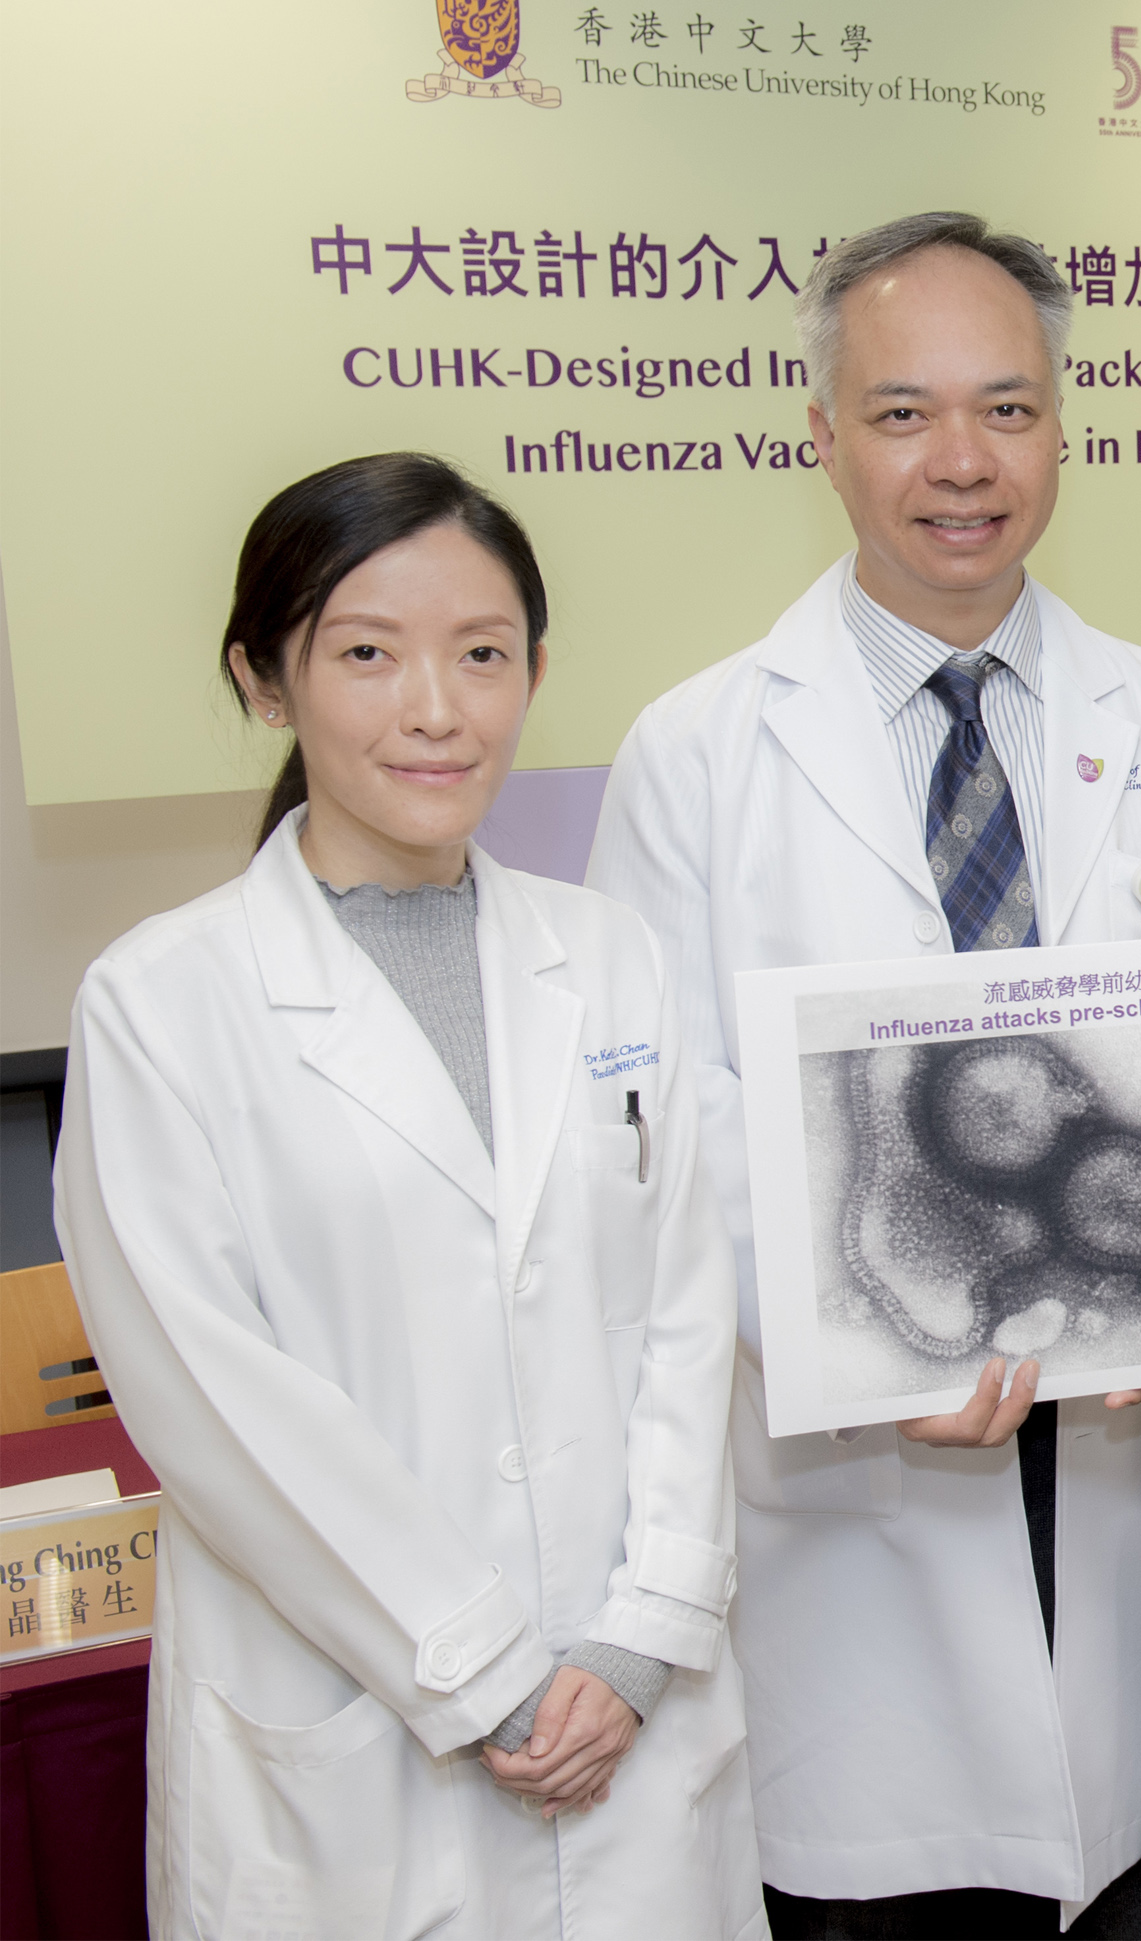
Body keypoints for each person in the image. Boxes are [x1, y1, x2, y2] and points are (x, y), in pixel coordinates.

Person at [586, 213, 1141, 1936]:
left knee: (1115, 1873)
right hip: (860, 1468)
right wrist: (865, 1334)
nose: (961, 463)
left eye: (1007, 409)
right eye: (902, 413)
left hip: (1120, 1434)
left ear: (1061, 425)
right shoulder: (701, 751)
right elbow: (672, 1121)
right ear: (822, 433)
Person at [52, 454, 760, 1938]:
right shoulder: (161, 1001)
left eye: (483, 654)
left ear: (535, 671)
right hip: (356, 1739)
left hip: (631, 1703)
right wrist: (484, 1667)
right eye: (367, 654)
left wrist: (645, 1633)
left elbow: (687, 1313)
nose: (437, 707)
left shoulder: (608, 954)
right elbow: (217, 1396)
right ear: (264, 678)